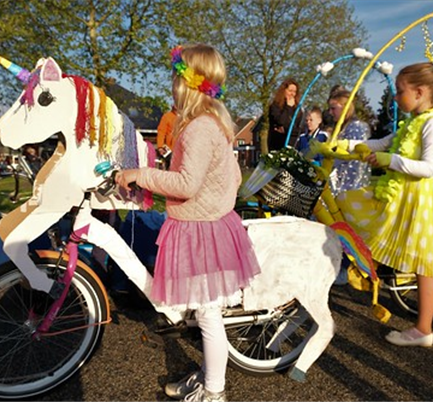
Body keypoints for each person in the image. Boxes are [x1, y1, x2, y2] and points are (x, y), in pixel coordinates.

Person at [115, 44, 261, 402]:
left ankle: (214, 391)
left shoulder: (198, 128)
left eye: (175, 78)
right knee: (206, 311)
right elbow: (232, 178)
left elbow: (186, 184)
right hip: (212, 225)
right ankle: (210, 376)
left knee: (208, 314)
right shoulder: (215, 123)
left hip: (200, 230)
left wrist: (140, 174)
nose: (171, 85)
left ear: (187, 83)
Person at [335, 62, 433, 347]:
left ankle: (423, 330)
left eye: (400, 91)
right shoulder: (412, 123)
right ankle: (358, 271)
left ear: (419, 92)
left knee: (424, 265)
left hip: (418, 202)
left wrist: (390, 161)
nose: (395, 96)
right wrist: (343, 146)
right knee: (347, 206)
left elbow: (429, 168)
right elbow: (381, 144)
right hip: (402, 199)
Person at [326, 89, 371, 197]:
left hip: (349, 191)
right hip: (338, 187)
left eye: (333, 108)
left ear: (345, 107)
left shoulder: (356, 128)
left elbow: (354, 166)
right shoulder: (342, 128)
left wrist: (344, 192)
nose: (330, 112)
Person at [267, 78, 302, 152]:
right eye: (290, 91)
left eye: (294, 92)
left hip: (292, 144)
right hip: (278, 145)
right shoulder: (275, 106)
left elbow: (298, 126)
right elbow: (281, 121)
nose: (292, 94)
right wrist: (288, 107)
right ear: (284, 91)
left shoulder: (298, 110)